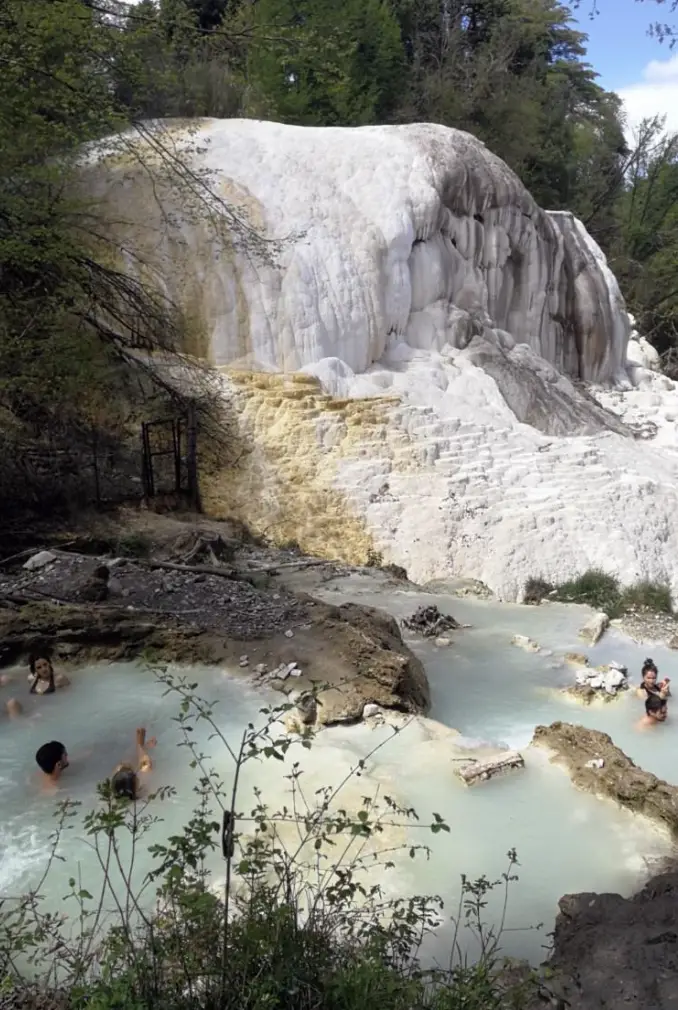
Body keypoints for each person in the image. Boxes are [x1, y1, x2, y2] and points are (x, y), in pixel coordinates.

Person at [110, 727, 156, 801]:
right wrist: (141, 746)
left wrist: (140, 745)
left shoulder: (113, 797)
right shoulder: (145, 782)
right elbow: (146, 764)